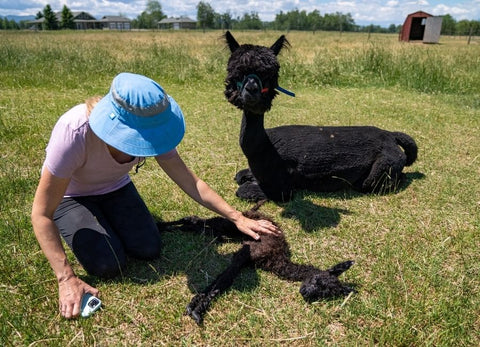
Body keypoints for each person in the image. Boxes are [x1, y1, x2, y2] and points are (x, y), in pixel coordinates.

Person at [31, 72, 280, 319]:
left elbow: (189, 181)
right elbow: (41, 214)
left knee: (149, 247)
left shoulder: (151, 126)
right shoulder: (74, 132)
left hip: (115, 187)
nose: (146, 143)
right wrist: (66, 278)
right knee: (107, 263)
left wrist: (236, 217)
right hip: (71, 196)